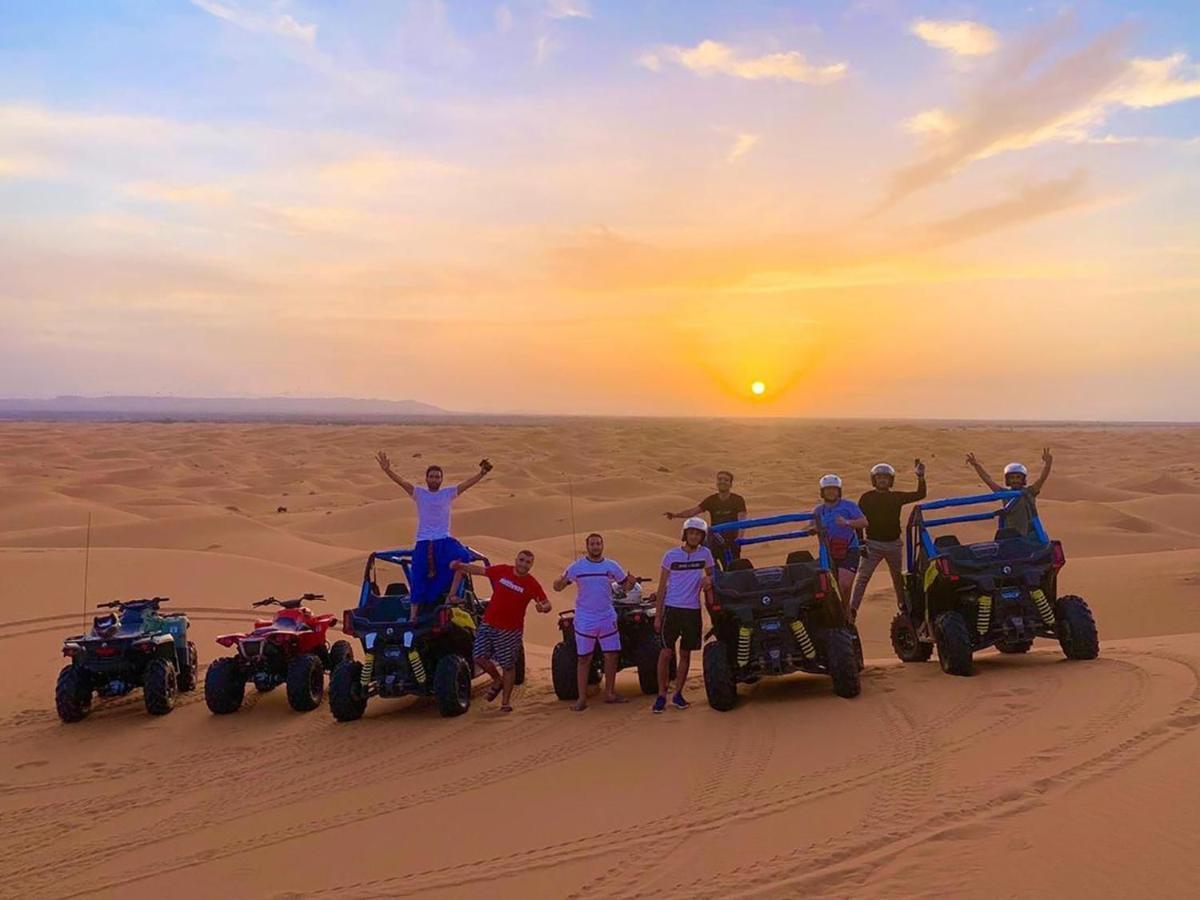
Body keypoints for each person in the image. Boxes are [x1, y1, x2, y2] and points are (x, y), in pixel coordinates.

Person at [375, 451, 493, 618]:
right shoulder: (419, 493)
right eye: (432, 476)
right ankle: (413, 617)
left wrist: (482, 473)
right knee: (418, 576)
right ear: (426, 478)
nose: (435, 479)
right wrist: (387, 470)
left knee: (463, 557)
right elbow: (401, 482)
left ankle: (451, 595)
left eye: (438, 477)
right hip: (423, 541)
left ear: (441, 479)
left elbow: (467, 484)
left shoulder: (448, 493)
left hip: (443, 540)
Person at [449, 550, 550, 713]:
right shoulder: (502, 571)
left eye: (528, 562)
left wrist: (542, 608)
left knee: (508, 665)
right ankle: (497, 680)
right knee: (479, 656)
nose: (524, 564)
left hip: (511, 630)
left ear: (531, 565)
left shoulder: (532, 584)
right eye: (522, 560)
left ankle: (505, 702)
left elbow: (547, 604)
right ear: (516, 559)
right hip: (489, 623)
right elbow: (480, 571)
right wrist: (460, 566)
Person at [552, 533, 637, 711]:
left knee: (611, 655)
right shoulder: (577, 567)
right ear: (587, 546)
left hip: (606, 616)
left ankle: (610, 693)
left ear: (602, 545)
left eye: (598, 543)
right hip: (585, 618)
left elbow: (625, 587)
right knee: (584, 658)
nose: (596, 546)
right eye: (592, 544)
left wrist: (630, 582)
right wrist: (558, 582)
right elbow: (559, 586)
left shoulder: (611, 565)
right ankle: (581, 699)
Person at [848, 459, 927, 623]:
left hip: (894, 544)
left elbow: (920, 494)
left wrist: (920, 477)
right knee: (863, 577)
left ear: (890, 480)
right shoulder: (866, 498)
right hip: (872, 545)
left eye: (885, 477)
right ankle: (852, 611)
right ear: (874, 480)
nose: (882, 480)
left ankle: (904, 609)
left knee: (898, 578)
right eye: (879, 477)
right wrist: (861, 542)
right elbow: (858, 521)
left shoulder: (896, 497)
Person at [651, 517, 714, 714]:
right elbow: (661, 588)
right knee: (666, 653)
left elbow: (714, 574)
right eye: (691, 533)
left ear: (702, 536)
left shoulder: (706, 554)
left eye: (698, 533)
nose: (694, 536)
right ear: (685, 534)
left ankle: (678, 693)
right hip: (671, 608)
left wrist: (708, 579)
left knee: (685, 653)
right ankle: (661, 695)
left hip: (692, 610)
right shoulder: (671, 555)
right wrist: (658, 615)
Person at [663, 470, 747, 565]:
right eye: (720, 479)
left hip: (731, 542)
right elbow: (694, 511)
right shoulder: (711, 500)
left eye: (726, 480)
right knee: (713, 568)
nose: (722, 482)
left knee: (731, 569)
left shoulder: (737, 500)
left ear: (730, 484)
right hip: (715, 540)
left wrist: (739, 539)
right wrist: (676, 515)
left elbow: (742, 520)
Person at [965, 448, 1053, 537]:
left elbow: (1042, 479)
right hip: (1011, 536)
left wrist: (1048, 464)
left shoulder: (1029, 492)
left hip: (1029, 535)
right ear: (1008, 480)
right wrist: (976, 466)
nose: (1015, 480)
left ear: (1023, 479)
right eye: (1012, 478)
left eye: (1018, 477)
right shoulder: (1004, 494)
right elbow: (988, 480)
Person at [811, 474, 869, 609]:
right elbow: (810, 525)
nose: (831, 492)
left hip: (849, 549)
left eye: (834, 489)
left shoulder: (849, 506)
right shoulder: (818, 511)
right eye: (828, 489)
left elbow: (864, 522)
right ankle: (838, 614)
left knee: (844, 585)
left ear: (839, 491)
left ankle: (846, 613)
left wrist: (847, 522)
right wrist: (812, 529)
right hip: (828, 553)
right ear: (822, 492)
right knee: (828, 587)